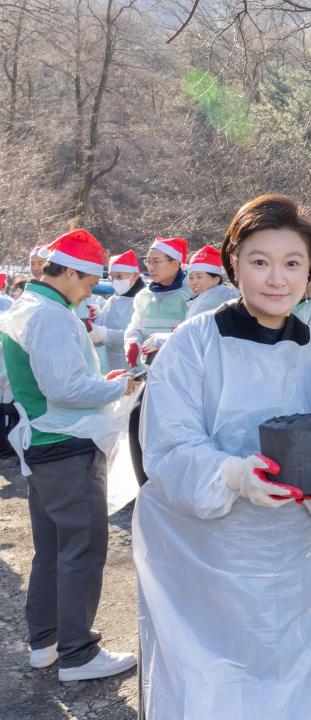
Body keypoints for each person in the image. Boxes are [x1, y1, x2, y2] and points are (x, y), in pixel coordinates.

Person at [133, 195, 311, 718]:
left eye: (292, 264)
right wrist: (233, 473)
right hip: (200, 554)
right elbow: (167, 446)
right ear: (233, 264)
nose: (277, 279)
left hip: (286, 553)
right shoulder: (194, 343)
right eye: (260, 261)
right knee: (210, 680)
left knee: (291, 671)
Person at [0, 229, 141, 681]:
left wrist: (105, 378)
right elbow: (66, 388)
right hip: (66, 445)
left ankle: (46, 642)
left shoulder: (30, 307)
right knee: (82, 548)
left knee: (52, 549)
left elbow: (60, 381)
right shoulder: (53, 316)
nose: (89, 290)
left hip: (42, 445)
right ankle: (79, 654)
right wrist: (123, 384)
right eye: (89, 280)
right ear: (72, 272)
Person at [136, 245, 240, 356]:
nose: (194, 282)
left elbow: (195, 337)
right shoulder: (211, 295)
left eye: (199, 277)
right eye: (191, 277)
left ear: (216, 279)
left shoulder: (210, 300)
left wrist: (160, 339)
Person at [123, 237, 192, 369]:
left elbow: (195, 334)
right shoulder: (143, 296)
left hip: (182, 374)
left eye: (156, 262)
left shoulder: (191, 294)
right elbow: (134, 328)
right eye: (148, 261)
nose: (150, 267)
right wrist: (132, 343)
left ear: (175, 264)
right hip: (150, 372)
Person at [89, 250, 145, 372]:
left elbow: (138, 335)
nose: (115, 281)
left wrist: (105, 335)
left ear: (134, 276)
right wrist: (96, 317)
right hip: (111, 368)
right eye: (112, 277)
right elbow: (100, 328)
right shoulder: (115, 299)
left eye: (119, 276)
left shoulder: (143, 300)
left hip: (134, 368)